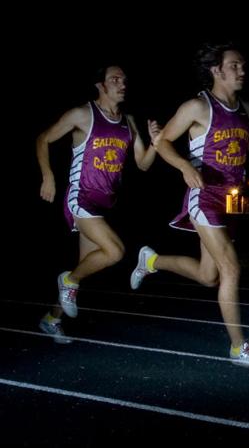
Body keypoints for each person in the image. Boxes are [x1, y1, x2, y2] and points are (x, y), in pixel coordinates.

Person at [130, 42, 249, 367]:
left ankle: (152, 261)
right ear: (216, 70)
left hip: (232, 200)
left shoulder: (247, 110)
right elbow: (163, 141)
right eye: (234, 65)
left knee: (209, 276)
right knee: (230, 269)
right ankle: (239, 347)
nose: (242, 70)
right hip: (204, 195)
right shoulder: (197, 107)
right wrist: (184, 166)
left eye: (242, 64)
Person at [36, 64, 160, 343]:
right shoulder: (82, 115)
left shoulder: (128, 121)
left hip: (103, 205)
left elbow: (142, 164)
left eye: (124, 79)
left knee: (86, 266)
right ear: (100, 85)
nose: (121, 83)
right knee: (115, 252)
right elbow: (43, 139)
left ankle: (51, 318)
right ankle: (66, 281)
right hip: (80, 198)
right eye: (114, 79)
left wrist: (156, 143)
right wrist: (48, 177)